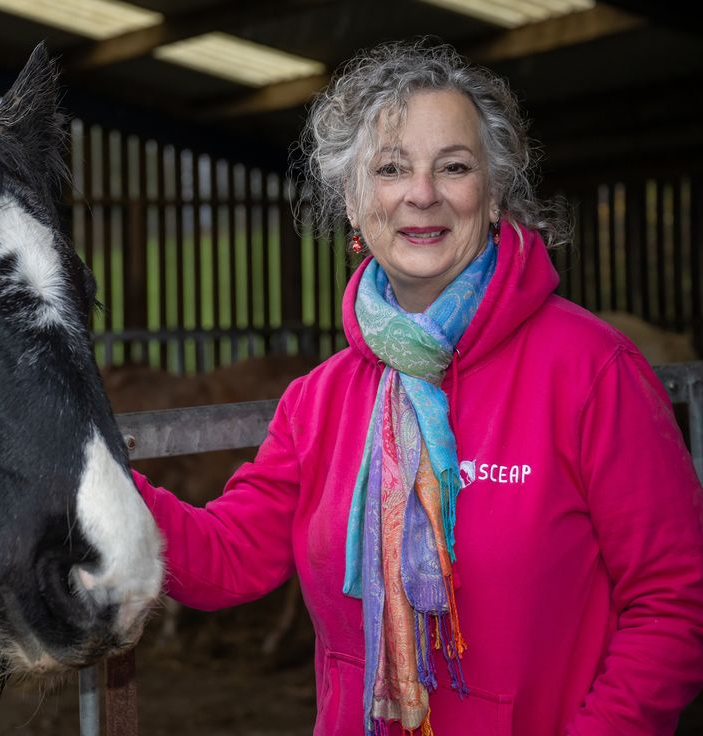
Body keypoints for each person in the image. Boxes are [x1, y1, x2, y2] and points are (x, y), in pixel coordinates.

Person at [133, 40, 703, 735]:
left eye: (454, 167)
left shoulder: (590, 370)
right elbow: (225, 558)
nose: (422, 194)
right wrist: (95, 481)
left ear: (492, 196)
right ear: (351, 201)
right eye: (391, 168)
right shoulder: (319, 401)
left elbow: (676, 600)